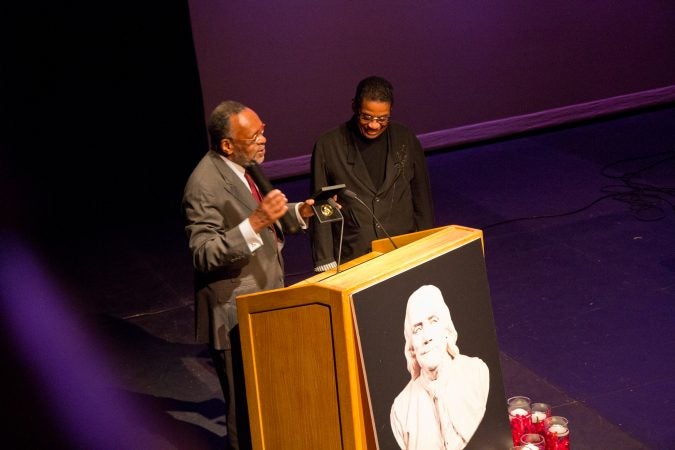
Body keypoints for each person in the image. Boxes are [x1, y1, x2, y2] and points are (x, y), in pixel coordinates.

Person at [182, 100, 316, 450]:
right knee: (243, 407)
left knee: (267, 397)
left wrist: (297, 212)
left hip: (263, 302)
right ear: (227, 144)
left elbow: (262, 213)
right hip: (233, 313)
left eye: (262, 131)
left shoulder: (245, 167)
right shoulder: (203, 184)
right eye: (254, 135)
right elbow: (203, 252)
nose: (263, 140)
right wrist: (255, 222)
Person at [310, 75, 434, 271]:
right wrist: (325, 261)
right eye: (366, 117)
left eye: (382, 119)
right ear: (354, 107)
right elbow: (321, 205)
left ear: (390, 111)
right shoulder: (329, 145)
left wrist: (428, 242)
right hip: (355, 254)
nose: (374, 125)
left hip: (402, 247)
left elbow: (422, 198)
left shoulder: (405, 138)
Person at [390, 285, 490, 450]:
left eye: (433, 321)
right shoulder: (401, 410)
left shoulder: (478, 373)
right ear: (411, 346)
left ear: (446, 328)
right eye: (418, 329)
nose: (426, 337)